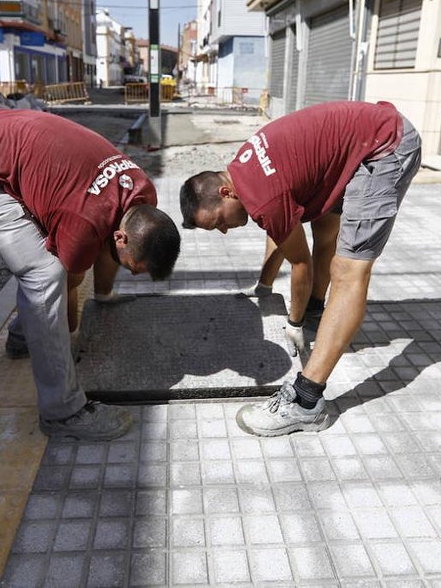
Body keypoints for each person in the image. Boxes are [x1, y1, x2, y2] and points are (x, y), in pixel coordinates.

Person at [179, 101, 421, 437]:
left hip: (383, 147)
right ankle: (317, 314)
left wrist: (292, 323)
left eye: (218, 221)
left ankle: (307, 401)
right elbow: (279, 231)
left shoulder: (263, 199)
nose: (223, 230)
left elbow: (300, 263)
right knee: (325, 232)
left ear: (225, 192)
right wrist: (264, 287)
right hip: (357, 146)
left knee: (349, 270)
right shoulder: (244, 169)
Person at [0, 109, 181, 440]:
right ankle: (62, 411)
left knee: (50, 265)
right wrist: (71, 342)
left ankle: (23, 335)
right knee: (45, 275)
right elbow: (68, 289)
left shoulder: (141, 194)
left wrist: (104, 299)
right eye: (132, 268)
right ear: (122, 239)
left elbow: (107, 245)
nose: (133, 275)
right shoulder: (83, 223)